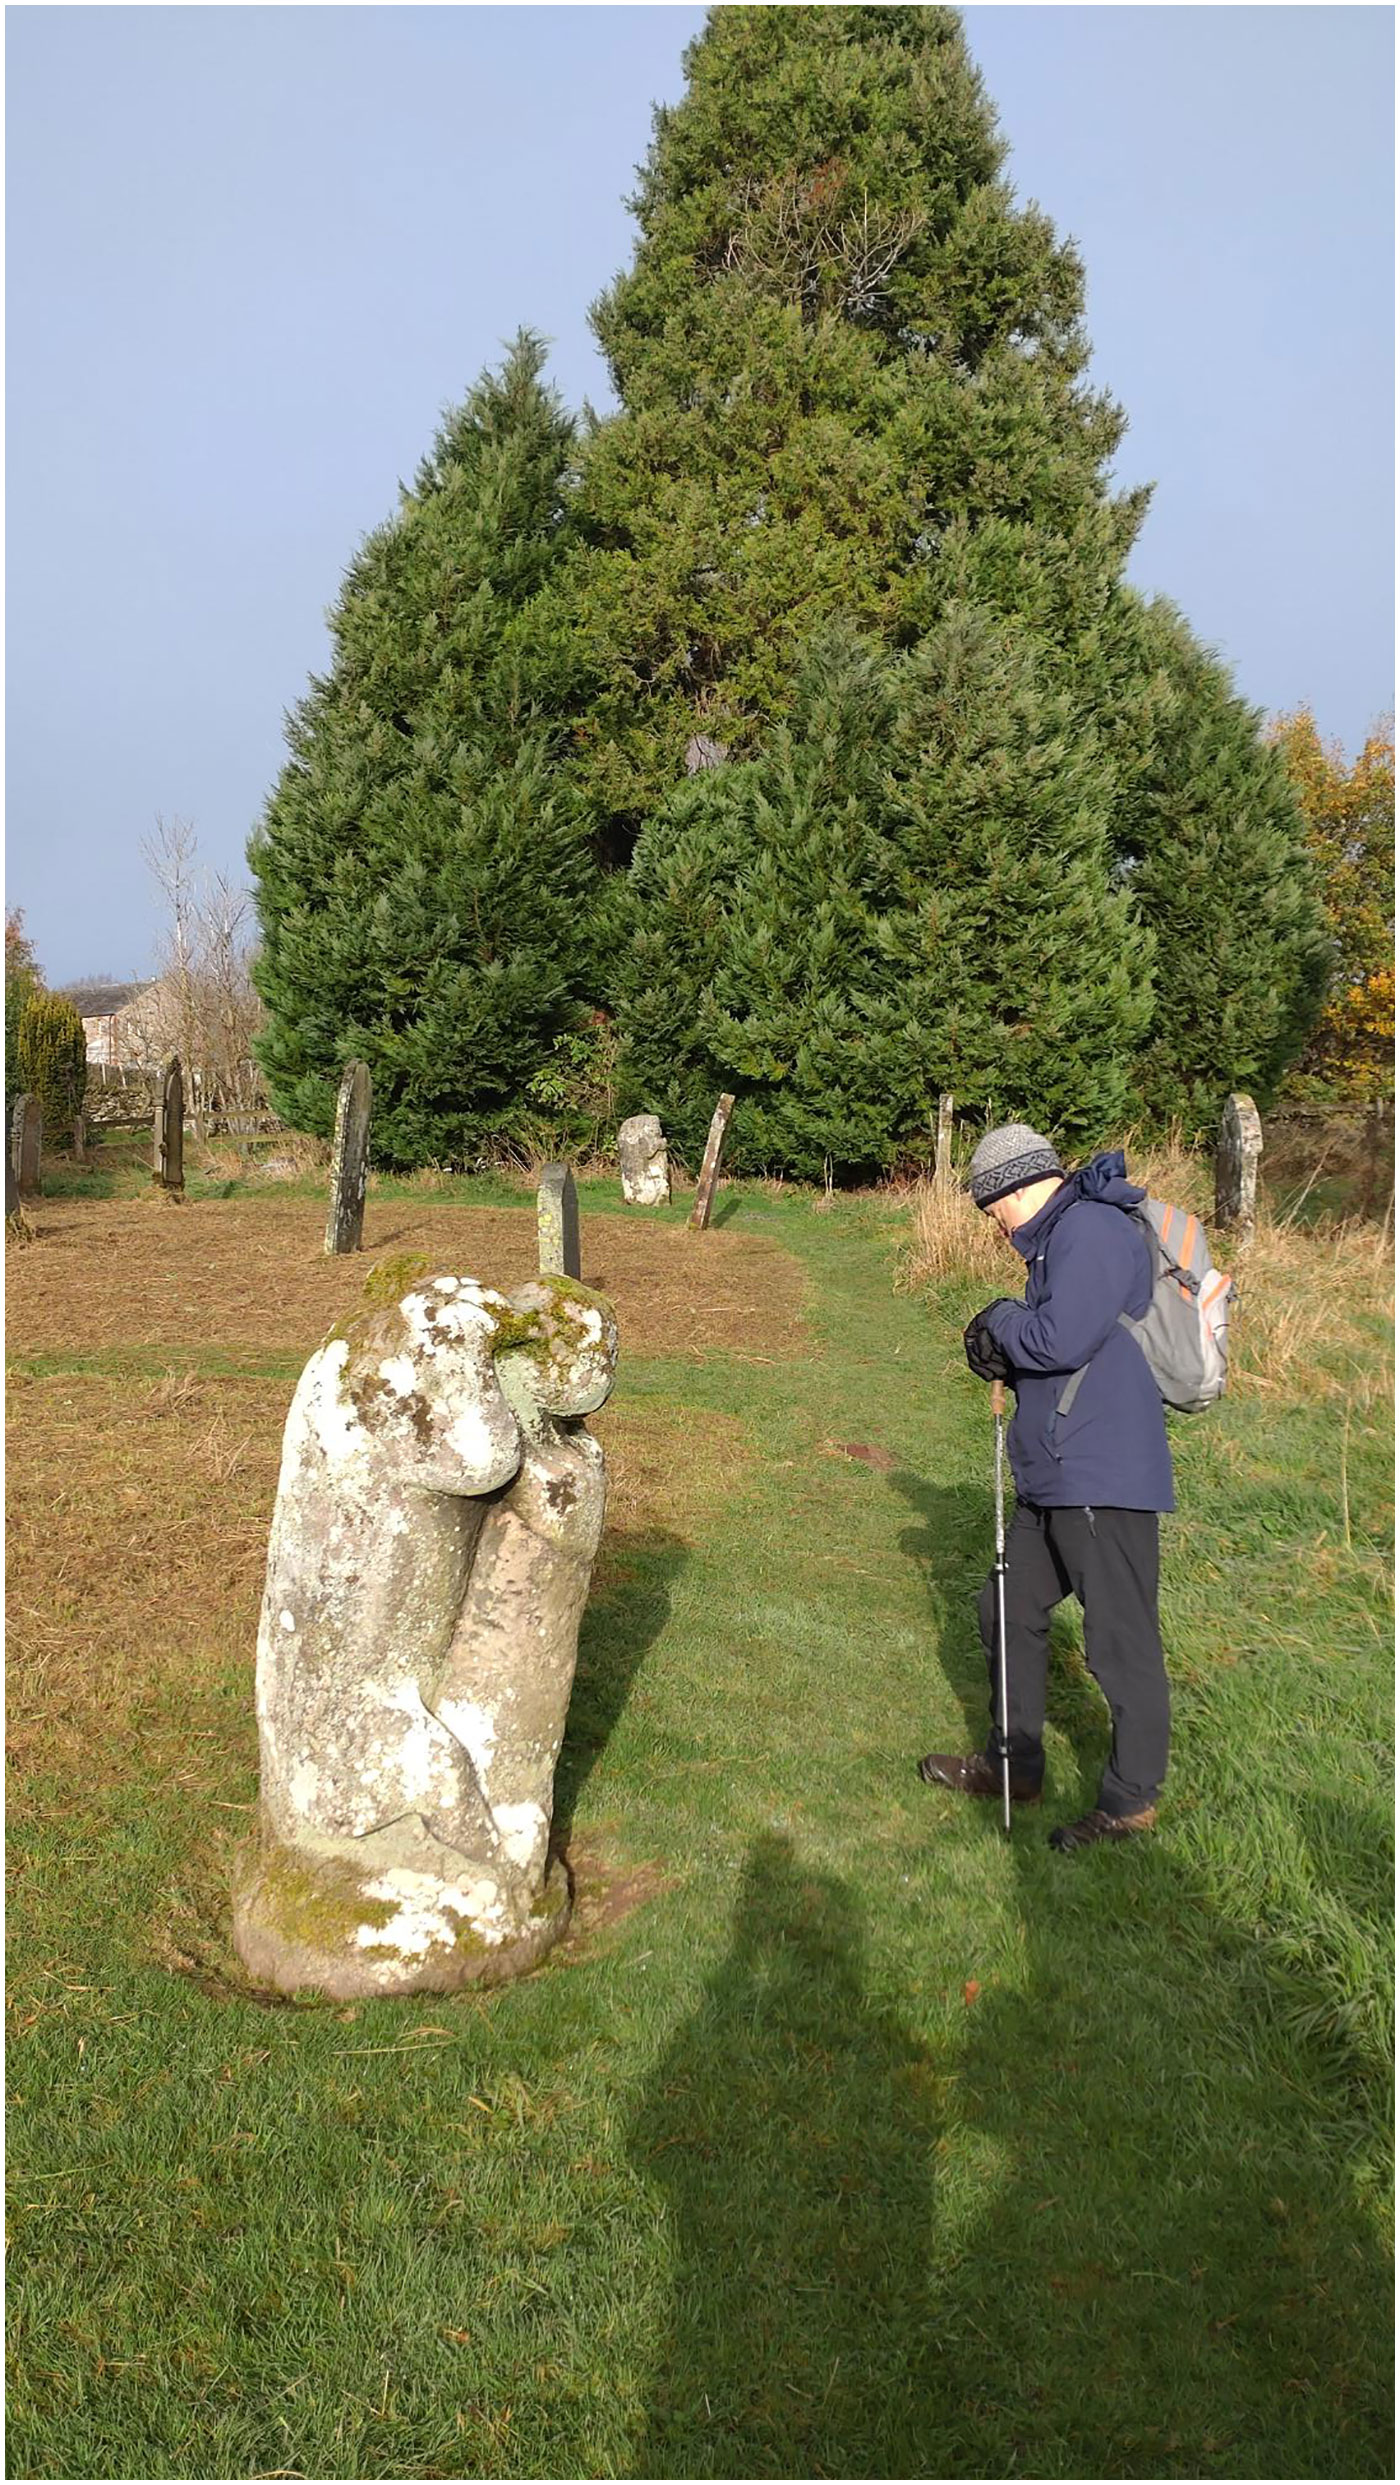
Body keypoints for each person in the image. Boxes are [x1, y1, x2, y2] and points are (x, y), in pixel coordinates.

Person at [919, 1122, 1174, 1851]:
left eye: (991, 1207)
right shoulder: (1060, 1240)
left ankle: (1130, 1800)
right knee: (1006, 1605)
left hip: (1101, 1476)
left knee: (1119, 1641)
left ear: (1018, 1187)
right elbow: (1061, 1345)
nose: (994, 1224)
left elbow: (1059, 1339)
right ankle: (1014, 1766)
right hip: (1057, 1475)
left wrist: (1000, 1319)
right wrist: (1005, 1349)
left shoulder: (1090, 1230)